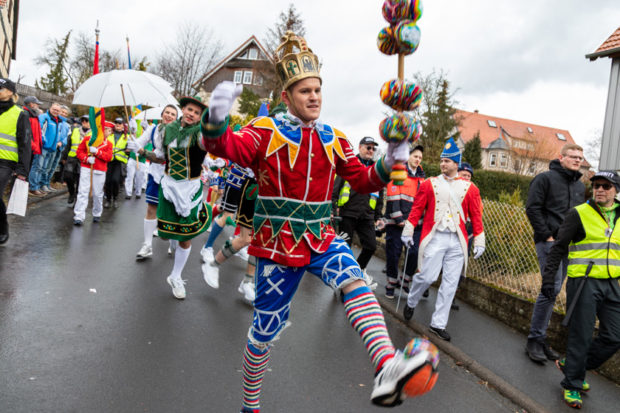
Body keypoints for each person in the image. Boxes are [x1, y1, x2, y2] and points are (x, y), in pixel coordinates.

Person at [201, 32, 432, 411]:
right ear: (286, 97)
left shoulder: (333, 137)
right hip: (276, 247)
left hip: (321, 237)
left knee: (355, 280)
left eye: (318, 90)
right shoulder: (265, 132)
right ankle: (249, 405)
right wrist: (215, 120)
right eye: (305, 90)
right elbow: (225, 147)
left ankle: (387, 365)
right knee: (262, 335)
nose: (314, 97)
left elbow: (362, 178)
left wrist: (391, 161)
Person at [540, 170, 620, 409]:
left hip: (612, 283)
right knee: (581, 336)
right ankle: (573, 385)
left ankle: (573, 365)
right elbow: (558, 248)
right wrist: (548, 279)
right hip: (584, 283)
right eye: (596, 185)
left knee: (615, 336)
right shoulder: (579, 213)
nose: (600, 190)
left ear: (616, 190)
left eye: (606, 186)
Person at [401, 138, 485, 341]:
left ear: (457, 163)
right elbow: (417, 209)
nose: (443, 164)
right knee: (427, 277)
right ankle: (412, 300)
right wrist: (408, 229)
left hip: (457, 240)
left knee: (450, 283)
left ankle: (438, 324)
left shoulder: (470, 188)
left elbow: (476, 215)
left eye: (447, 161)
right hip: (436, 237)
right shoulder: (430, 183)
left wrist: (480, 239)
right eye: (442, 161)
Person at [146, 97, 212, 300]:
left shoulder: (202, 135)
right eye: (189, 109)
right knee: (165, 234)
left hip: (190, 189)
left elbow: (213, 142)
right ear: (183, 109)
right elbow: (160, 157)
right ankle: (171, 235)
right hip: (168, 186)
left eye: (197, 113)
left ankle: (176, 276)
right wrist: (142, 152)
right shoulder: (166, 130)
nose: (192, 114)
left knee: (185, 237)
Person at [524, 143, 585, 363]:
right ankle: (534, 339)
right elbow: (532, 208)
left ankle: (540, 338)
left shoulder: (580, 186)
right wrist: (547, 236)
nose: (577, 160)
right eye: (573, 157)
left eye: (580, 158)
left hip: (570, 246)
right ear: (561, 157)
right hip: (549, 243)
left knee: (555, 289)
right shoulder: (545, 179)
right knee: (550, 288)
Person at [332, 136, 384, 288]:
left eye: (373, 148)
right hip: (347, 213)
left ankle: (357, 274)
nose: (371, 150)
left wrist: (378, 216)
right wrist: (333, 208)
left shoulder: (375, 169)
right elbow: (335, 189)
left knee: (371, 246)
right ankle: (345, 284)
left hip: (367, 215)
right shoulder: (348, 164)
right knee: (345, 249)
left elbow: (379, 194)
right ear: (360, 147)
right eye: (368, 147)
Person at [201, 163, 258, 303]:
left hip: (264, 188)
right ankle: (207, 248)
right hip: (242, 178)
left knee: (257, 238)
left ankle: (248, 281)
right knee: (227, 215)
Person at [131, 105, 179, 261]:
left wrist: (142, 151)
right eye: (167, 113)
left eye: (173, 114)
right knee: (151, 208)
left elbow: (164, 156)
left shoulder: (179, 133)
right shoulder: (153, 129)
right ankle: (147, 245)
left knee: (172, 211)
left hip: (172, 177)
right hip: (155, 174)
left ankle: (173, 240)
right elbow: (139, 142)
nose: (169, 116)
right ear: (162, 114)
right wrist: (131, 141)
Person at [383, 144, 425, 298]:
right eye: (415, 156)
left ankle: (405, 280)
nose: (418, 159)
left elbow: (422, 201)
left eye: (420, 157)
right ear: (408, 156)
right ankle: (391, 283)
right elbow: (393, 196)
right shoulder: (398, 172)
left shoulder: (422, 178)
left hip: (414, 225)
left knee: (414, 252)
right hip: (396, 223)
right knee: (393, 254)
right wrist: (399, 218)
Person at [0, 78, 32, 244]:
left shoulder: (20, 113)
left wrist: (22, 170)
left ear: (10, 93)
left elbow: (25, 144)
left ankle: (2, 225)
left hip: (5, 162)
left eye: (2, 88)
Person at [72, 120, 114, 225]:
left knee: (97, 193)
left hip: (99, 170)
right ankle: (79, 216)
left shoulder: (109, 144)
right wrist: (86, 159)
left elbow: (108, 157)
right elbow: (79, 152)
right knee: (83, 191)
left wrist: (97, 152)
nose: (108, 132)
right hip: (87, 168)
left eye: (109, 131)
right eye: (107, 130)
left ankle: (97, 213)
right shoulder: (88, 139)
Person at [28, 102, 63, 195]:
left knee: (44, 168)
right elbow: (39, 130)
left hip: (51, 148)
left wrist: (56, 143)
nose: (56, 111)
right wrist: (43, 141)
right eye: (54, 109)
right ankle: (33, 187)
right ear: (50, 108)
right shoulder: (44, 117)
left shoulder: (57, 120)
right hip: (42, 147)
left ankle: (39, 186)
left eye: (58, 110)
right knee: (37, 167)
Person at [62, 115, 90, 206]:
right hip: (72, 157)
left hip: (84, 159)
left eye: (87, 121)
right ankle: (71, 193)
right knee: (68, 176)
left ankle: (77, 199)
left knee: (79, 180)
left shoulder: (94, 134)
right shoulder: (75, 130)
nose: (84, 123)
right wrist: (64, 157)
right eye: (83, 121)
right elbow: (68, 144)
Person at [103, 118, 129, 208]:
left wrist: (128, 150)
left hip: (119, 162)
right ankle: (108, 199)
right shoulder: (109, 135)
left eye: (120, 123)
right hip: (109, 161)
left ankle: (115, 198)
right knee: (108, 181)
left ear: (123, 125)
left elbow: (130, 150)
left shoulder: (127, 137)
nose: (118, 124)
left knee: (115, 180)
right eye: (116, 123)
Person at [22, 96, 42, 173]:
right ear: (31, 104)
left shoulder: (34, 116)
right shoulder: (26, 114)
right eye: (37, 104)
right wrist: (33, 146)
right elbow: (25, 133)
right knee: (22, 172)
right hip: (28, 148)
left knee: (27, 171)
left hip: (32, 149)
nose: (38, 106)